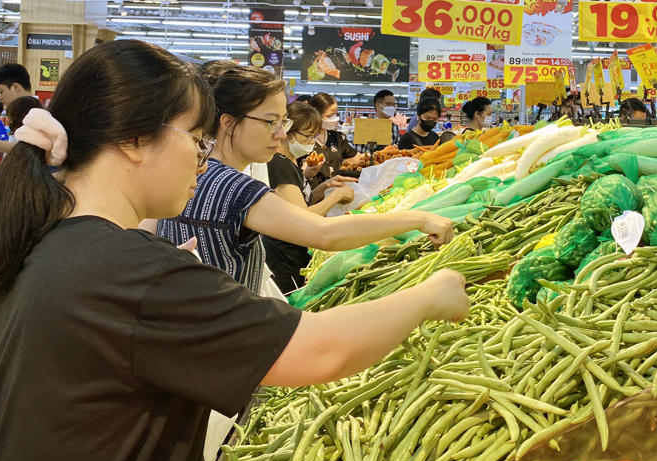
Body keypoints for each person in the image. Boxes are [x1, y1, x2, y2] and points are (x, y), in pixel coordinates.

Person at [0, 39, 469, 461]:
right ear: (132, 139)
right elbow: (322, 350)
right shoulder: (129, 270)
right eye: (195, 139)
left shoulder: (38, 244)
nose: (200, 158)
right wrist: (430, 295)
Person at [155, 66, 454, 294]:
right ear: (229, 122)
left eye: (283, 122)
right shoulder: (234, 187)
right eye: (270, 122)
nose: (282, 134)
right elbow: (323, 233)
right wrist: (417, 219)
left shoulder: (191, 174)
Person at [263, 101, 358, 293]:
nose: (312, 142)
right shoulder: (279, 165)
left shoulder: (291, 161)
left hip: (297, 250)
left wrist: (324, 187)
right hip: (286, 257)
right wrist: (335, 196)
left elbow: (300, 200)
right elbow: (302, 217)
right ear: (288, 133)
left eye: (314, 135)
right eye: (307, 136)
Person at [308, 92, 363, 186]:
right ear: (315, 114)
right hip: (311, 193)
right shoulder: (303, 138)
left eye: (335, 114)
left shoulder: (337, 137)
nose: (334, 119)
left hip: (334, 190)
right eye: (329, 116)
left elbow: (355, 158)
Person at [355, 89, 401, 154]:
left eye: (394, 105)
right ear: (378, 105)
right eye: (389, 104)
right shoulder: (364, 126)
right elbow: (358, 153)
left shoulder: (394, 127)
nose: (392, 108)